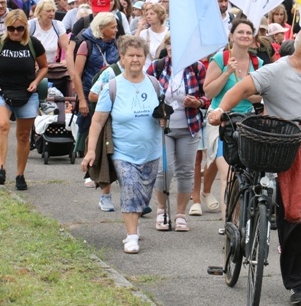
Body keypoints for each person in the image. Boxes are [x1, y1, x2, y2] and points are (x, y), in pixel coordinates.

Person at [207, 25, 301, 304]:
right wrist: (220, 110)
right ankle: (297, 283)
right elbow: (242, 88)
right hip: (289, 153)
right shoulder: (276, 71)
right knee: (295, 217)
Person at [81, 36, 163, 254]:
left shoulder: (155, 84)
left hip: (152, 151)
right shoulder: (112, 87)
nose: (135, 59)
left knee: (142, 195)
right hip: (123, 151)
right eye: (131, 55)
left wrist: (164, 118)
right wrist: (90, 151)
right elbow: (97, 121)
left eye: (139, 55)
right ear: (122, 58)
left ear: (145, 58)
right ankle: (131, 236)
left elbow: (162, 117)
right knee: (129, 187)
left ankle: (133, 225)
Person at [201, 19, 263, 221]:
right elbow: (209, 91)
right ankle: (230, 224)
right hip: (221, 120)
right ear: (232, 36)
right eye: (240, 32)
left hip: (247, 121)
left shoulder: (258, 63)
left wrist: (242, 91)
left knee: (245, 173)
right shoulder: (220, 59)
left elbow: (260, 96)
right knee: (228, 172)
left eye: (248, 32)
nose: (245, 35)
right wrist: (227, 72)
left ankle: (240, 218)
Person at [147, 33, 209, 231]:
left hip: (189, 127)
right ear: (167, 47)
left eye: (179, 44)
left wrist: (198, 102)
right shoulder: (157, 67)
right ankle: (162, 210)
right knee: (165, 169)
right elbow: (144, 93)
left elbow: (208, 95)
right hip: (163, 127)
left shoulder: (197, 67)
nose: (174, 48)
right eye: (170, 44)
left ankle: (181, 213)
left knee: (185, 171)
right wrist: (157, 110)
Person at [0, 10, 48, 190]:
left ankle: (20, 174)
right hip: (3, 91)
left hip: (27, 92)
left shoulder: (33, 44)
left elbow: (44, 67)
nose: (15, 33)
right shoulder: (1, 43)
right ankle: (1, 167)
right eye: (11, 28)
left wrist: (36, 81)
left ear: (25, 28)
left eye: (19, 28)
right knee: (2, 125)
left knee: (23, 136)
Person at [73, 12, 120, 157]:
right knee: (89, 131)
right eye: (112, 27)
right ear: (101, 28)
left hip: (112, 94)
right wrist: (82, 100)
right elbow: (76, 74)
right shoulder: (86, 45)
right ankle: (89, 167)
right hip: (90, 95)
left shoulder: (116, 45)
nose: (116, 30)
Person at [30, 0, 68, 65]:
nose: (52, 14)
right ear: (39, 12)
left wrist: (66, 60)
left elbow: (67, 48)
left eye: (53, 11)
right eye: (48, 11)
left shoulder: (58, 25)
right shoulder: (30, 25)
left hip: (51, 66)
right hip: (32, 65)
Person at [135, 2, 168, 70]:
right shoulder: (144, 33)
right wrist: (139, 29)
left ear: (160, 15)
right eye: (146, 14)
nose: (148, 16)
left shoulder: (168, 33)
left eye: (152, 14)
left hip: (164, 69)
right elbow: (133, 46)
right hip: (147, 70)